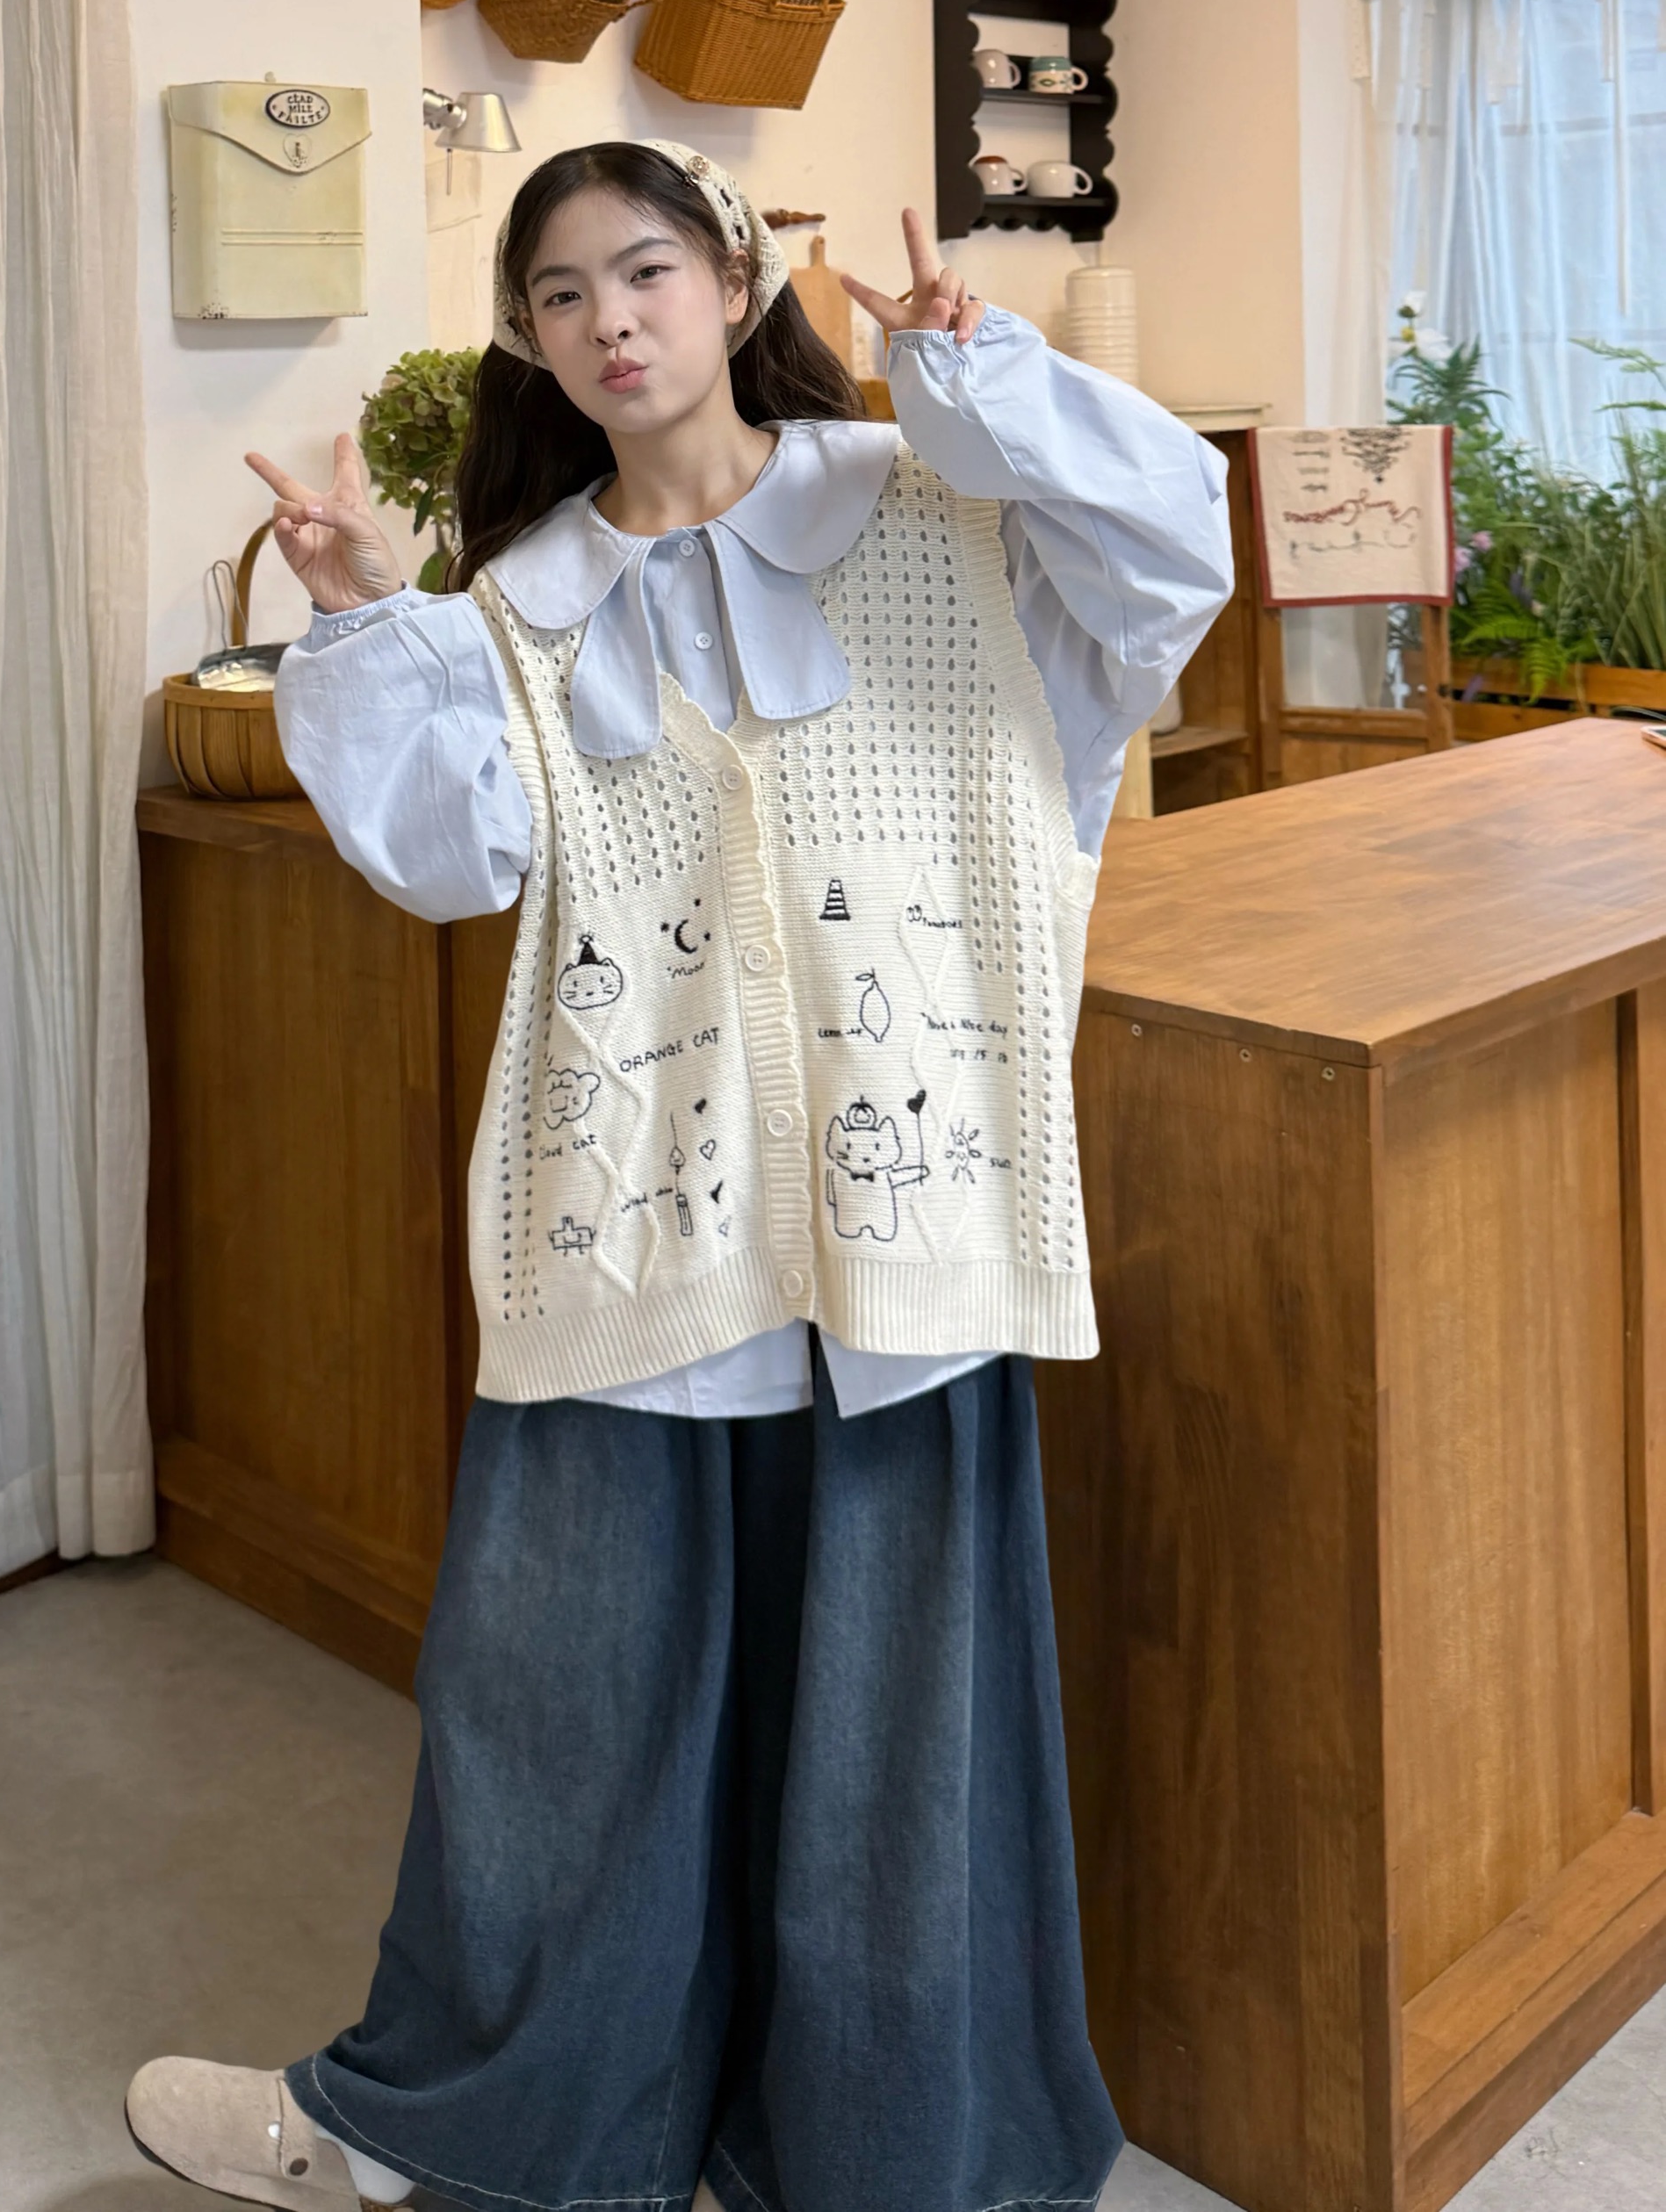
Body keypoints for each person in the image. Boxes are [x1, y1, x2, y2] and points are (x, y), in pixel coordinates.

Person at [126, 140, 1232, 2212]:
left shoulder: (938, 525)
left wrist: (980, 382)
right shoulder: (518, 617)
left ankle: (888, 2164)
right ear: (527, 342)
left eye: (640, 270)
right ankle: (438, 2139)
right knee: (556, 1705)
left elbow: (1171, 557)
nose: (606, 320)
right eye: (557, 294)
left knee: (892, 1764)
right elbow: (443, 856)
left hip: (909, 1245)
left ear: (732, 281)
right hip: (633, 1233)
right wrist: (361, 614)